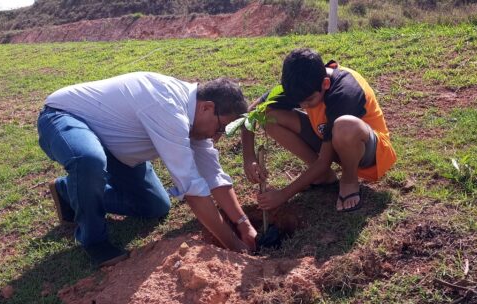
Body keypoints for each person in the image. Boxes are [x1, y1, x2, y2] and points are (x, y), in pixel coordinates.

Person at [37, 72, 257, 267]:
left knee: (155, 206)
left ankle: (68, 191)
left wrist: (243, 224)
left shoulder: (194, 119)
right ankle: (94, 241)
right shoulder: (168, 107)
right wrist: (234, 245)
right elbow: (191, 186)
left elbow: (213, 174)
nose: (217, 137)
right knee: (89, 160)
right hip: (63, 117)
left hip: (114, 146)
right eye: (220, 128)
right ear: (207, 107)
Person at [242, 48, 397, 212]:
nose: (303, 106)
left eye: (309, 100)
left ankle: (349, 181)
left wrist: (283, 195)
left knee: (345, 126)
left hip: (368, 153)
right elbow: (252, 113)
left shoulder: (345, 92)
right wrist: (249, 157)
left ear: (325, 84)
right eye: (298, 102)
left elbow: (324, 161)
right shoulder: (301, 84)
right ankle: (324, 177)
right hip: (328, 138)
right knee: (267, 115)